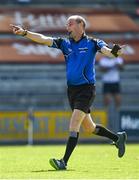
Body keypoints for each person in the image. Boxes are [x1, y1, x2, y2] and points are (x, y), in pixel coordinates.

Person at [10, 15, 127, 171]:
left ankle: (63, 162)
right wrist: (25, 33)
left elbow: (109, 52)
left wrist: (115, 52)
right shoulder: (65, 43)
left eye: (70, 24)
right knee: (90, 128)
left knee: (73, 125)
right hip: (72, 91)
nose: (67, 27)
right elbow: (44, 39)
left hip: (86, 90)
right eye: (67, 25)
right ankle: (118, 137)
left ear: (80, 25)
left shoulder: (92, 42)